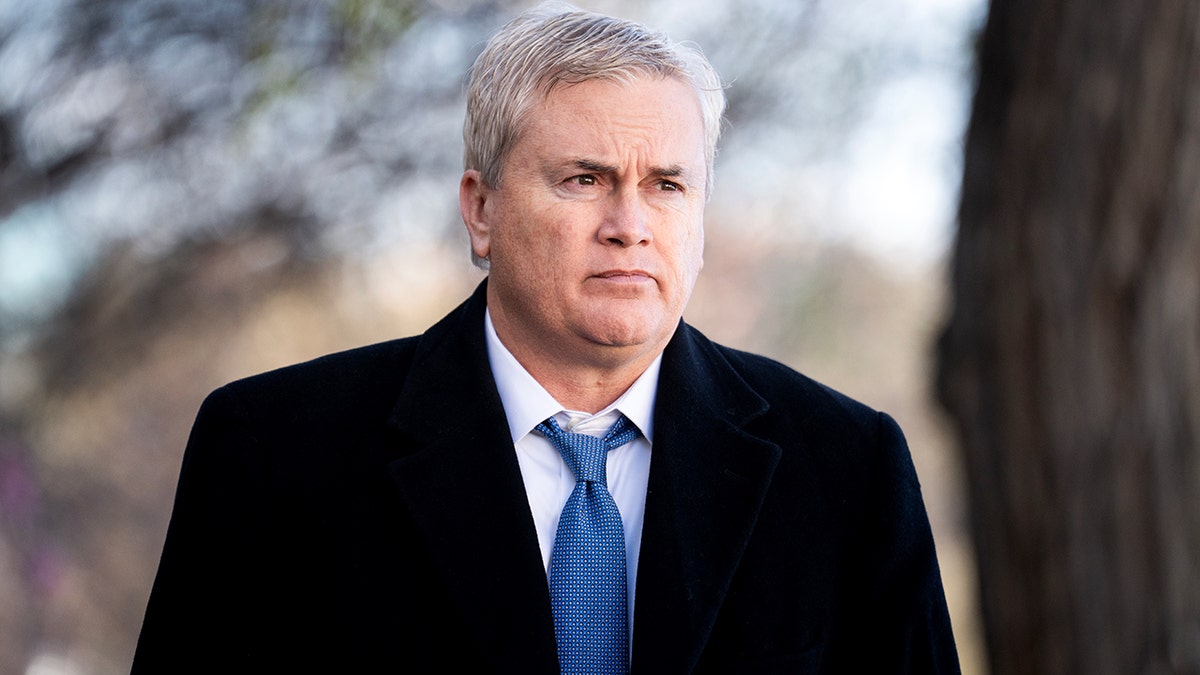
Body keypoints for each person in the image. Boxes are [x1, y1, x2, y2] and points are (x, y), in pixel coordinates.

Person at [133, 4, 960, 673]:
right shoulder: (275, 453)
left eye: (667, 185)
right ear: (481, 208)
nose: (630, 226)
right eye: (584, 179)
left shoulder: (848, 467)